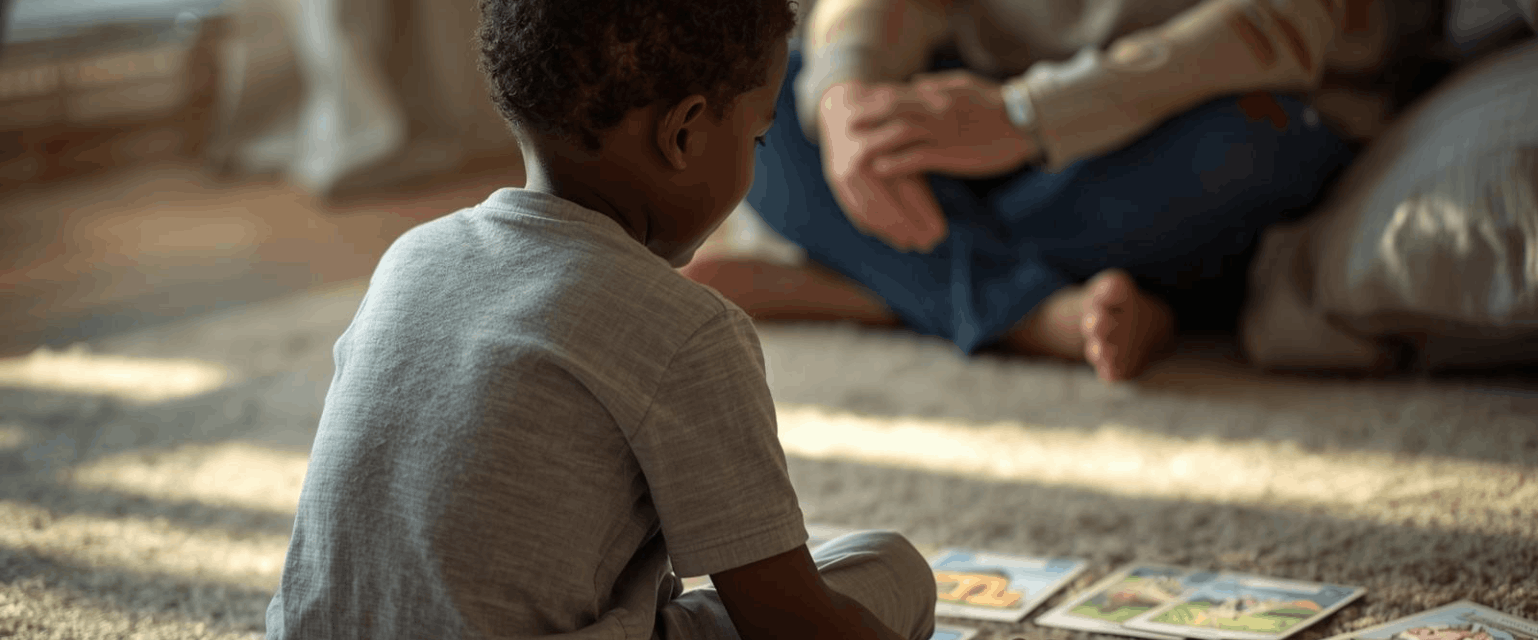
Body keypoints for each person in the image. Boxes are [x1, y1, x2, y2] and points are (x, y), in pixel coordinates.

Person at [262, 1, 937, 639]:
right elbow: (789, 623)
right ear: (683, 133)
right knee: (890, 568)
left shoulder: (410, 257)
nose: (758, 160)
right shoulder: (686, 328)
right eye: (758, 138)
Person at [683, 0, 1389, 381]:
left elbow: (1279, 26)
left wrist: (1028, 117)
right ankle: (1042, 316)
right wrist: (851, 94)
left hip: (1194, 116)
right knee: (765, 98)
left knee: (1249, 147)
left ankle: (879, 289)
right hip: (986, 124)